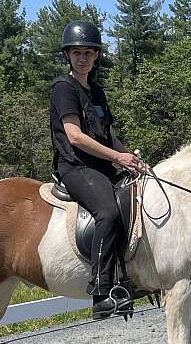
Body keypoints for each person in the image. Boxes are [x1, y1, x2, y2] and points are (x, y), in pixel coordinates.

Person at [49, 20, 140, 319]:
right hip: (75, 166)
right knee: (108, 212)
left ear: (97, 55)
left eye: (88, 52)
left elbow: (107, 134)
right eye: (77, 53)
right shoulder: (64, 87)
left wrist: (130, 158)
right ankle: (101, 292)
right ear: (68, 56)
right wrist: (117, 157)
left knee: (137, 201)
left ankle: (127, 279)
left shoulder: (97, 92)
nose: (83, 58)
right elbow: (74, 136)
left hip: (100, 165)